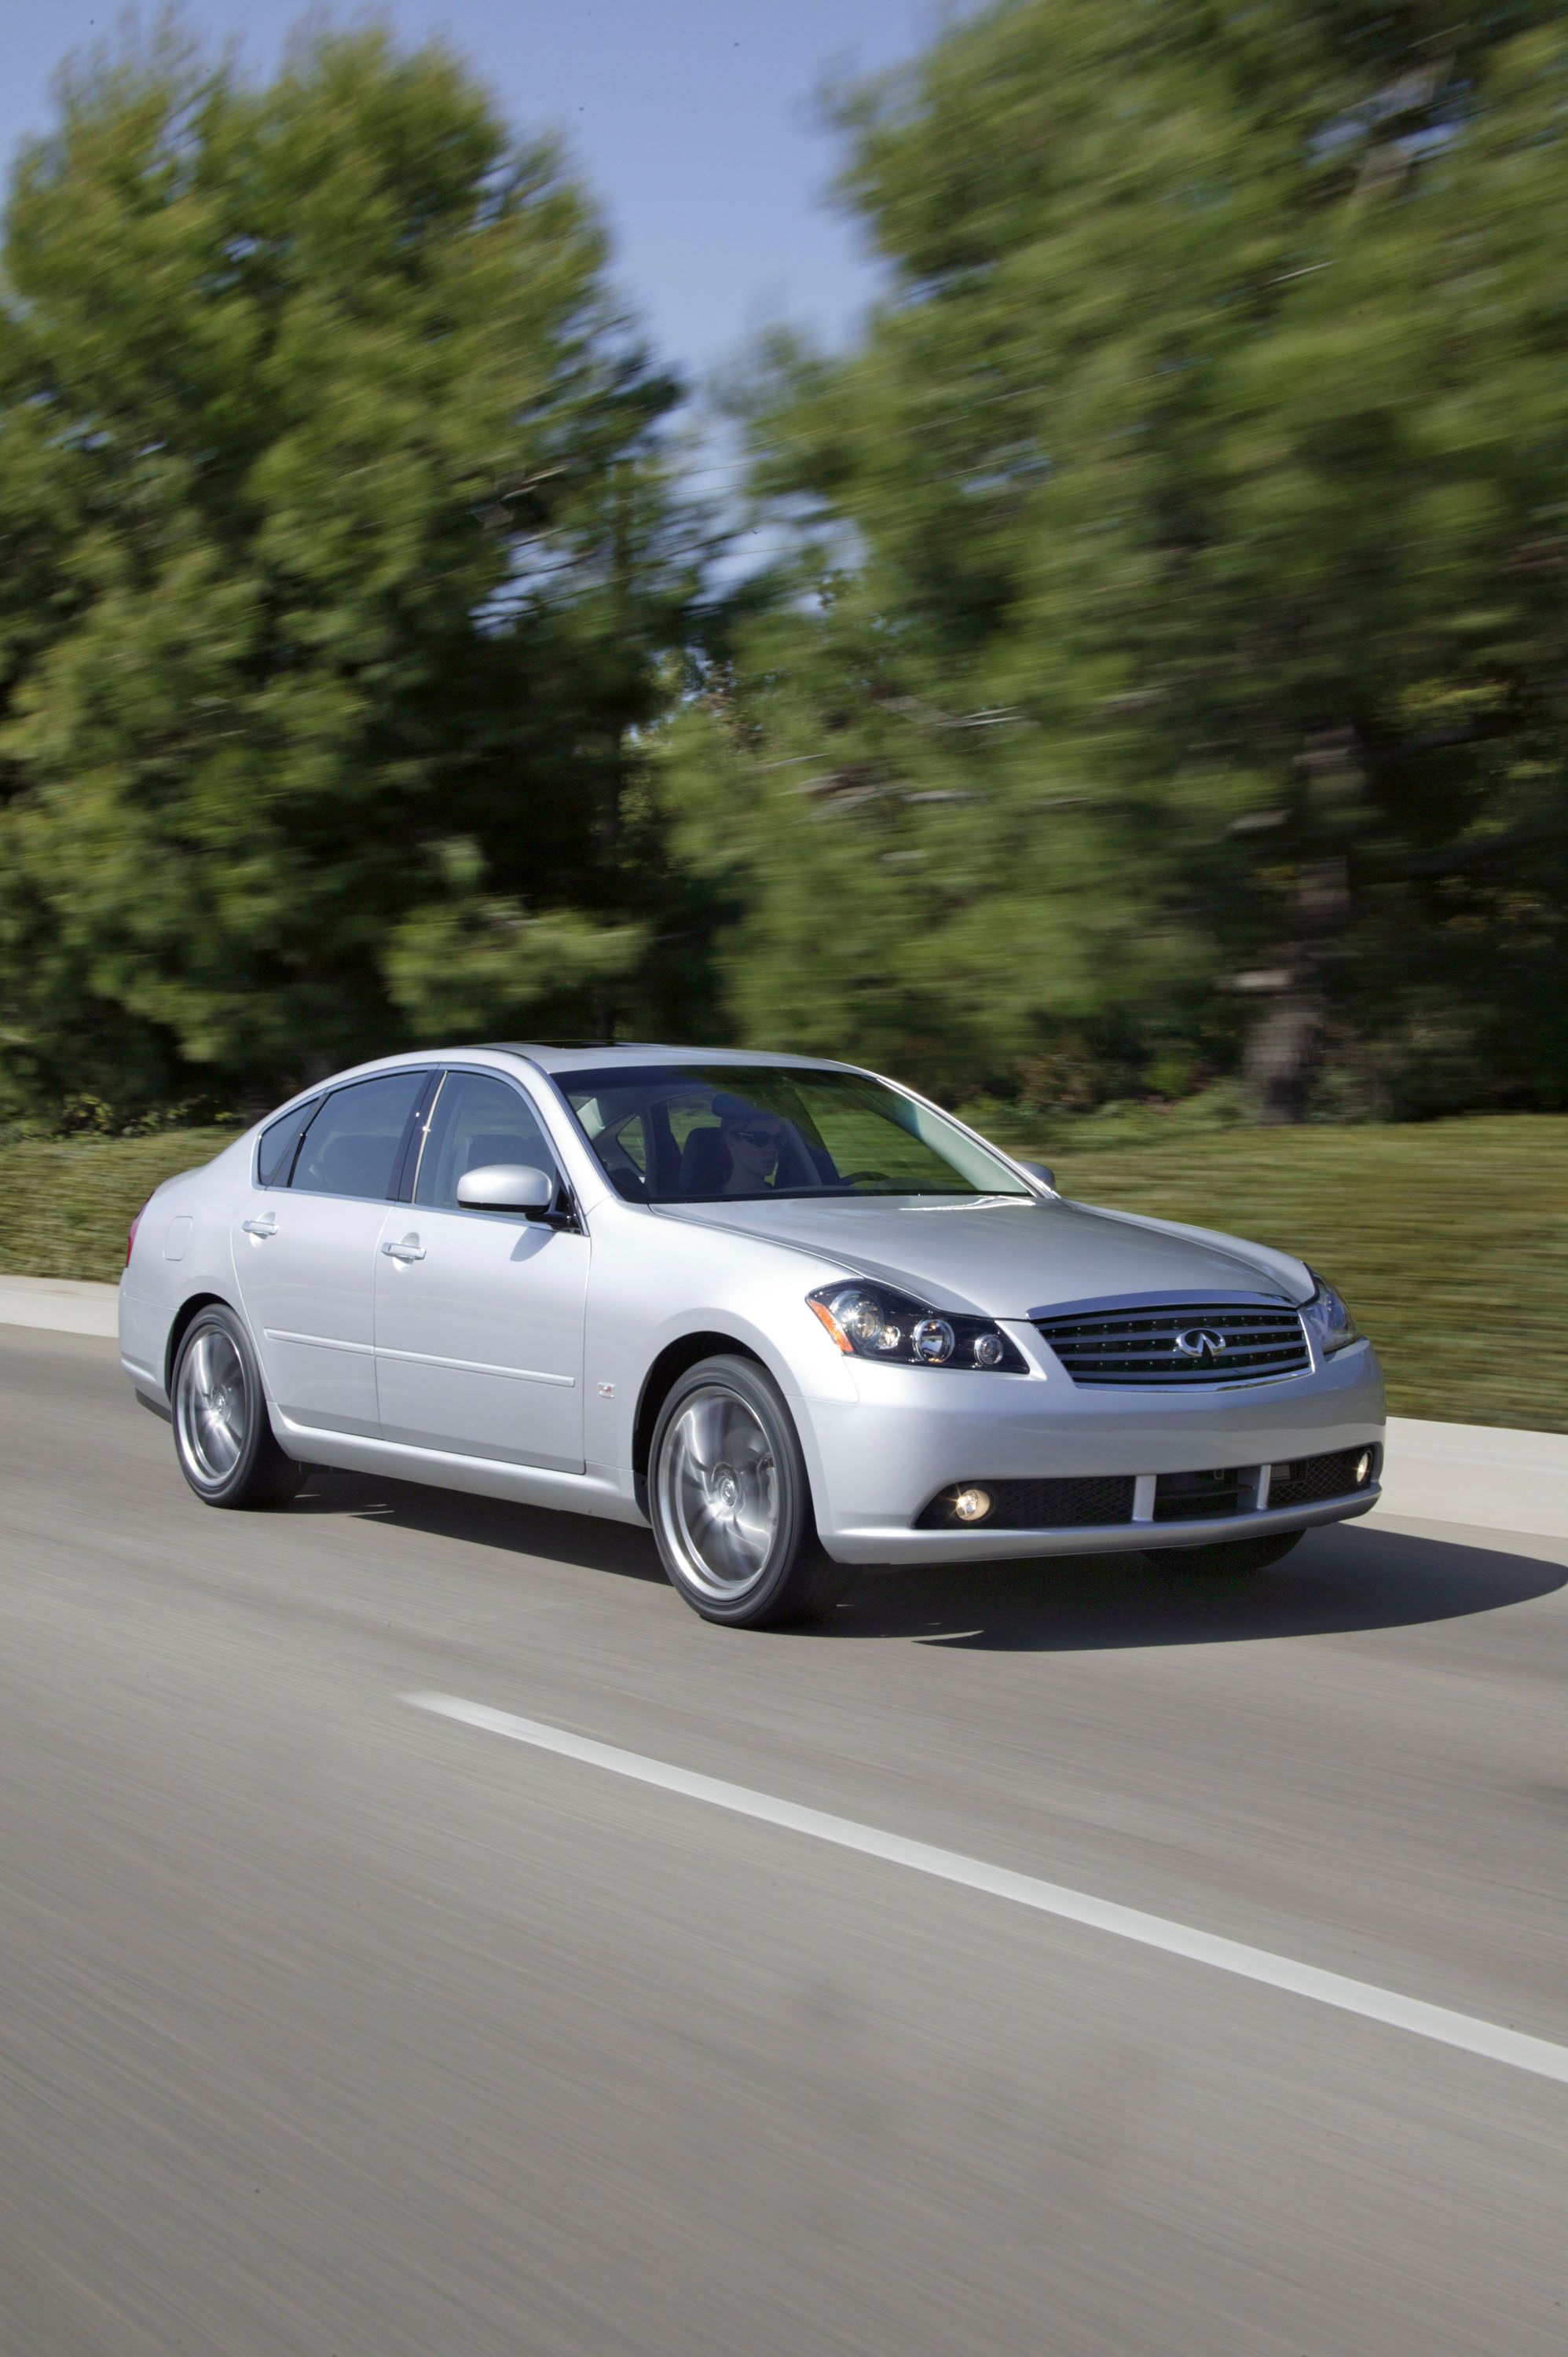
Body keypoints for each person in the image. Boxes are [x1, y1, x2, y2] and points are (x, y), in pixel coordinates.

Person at [713, 1095, 788, 1194]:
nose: (772, 1149)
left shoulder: (788, 1198)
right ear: (731, 1142)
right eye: (760, 1138)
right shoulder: (701, 1206)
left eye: (778, 1139)